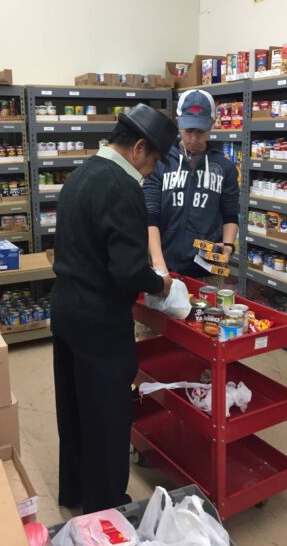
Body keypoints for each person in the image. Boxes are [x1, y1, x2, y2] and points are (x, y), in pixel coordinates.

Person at [50, 104, 178, 514]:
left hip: (66, 311)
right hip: (100, 323)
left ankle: (74, 491)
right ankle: (105, 507)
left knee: (74, 410)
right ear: (139, 148)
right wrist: (159, 283)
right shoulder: (122, 187)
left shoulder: (80, 175)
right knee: (107, 417)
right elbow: (127, 270)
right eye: (154, 160)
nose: (152, 171)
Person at [143, 89, 239, 281]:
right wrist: (159, 265)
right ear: (178, 121)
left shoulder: (225, 167)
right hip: (162, 267)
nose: (194, 138)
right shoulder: (159, 162)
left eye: (201, 131)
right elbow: (150, 215)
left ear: (212, 124)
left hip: (206, 272)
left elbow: (230, 215)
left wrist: (228, 246)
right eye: (188, 131)